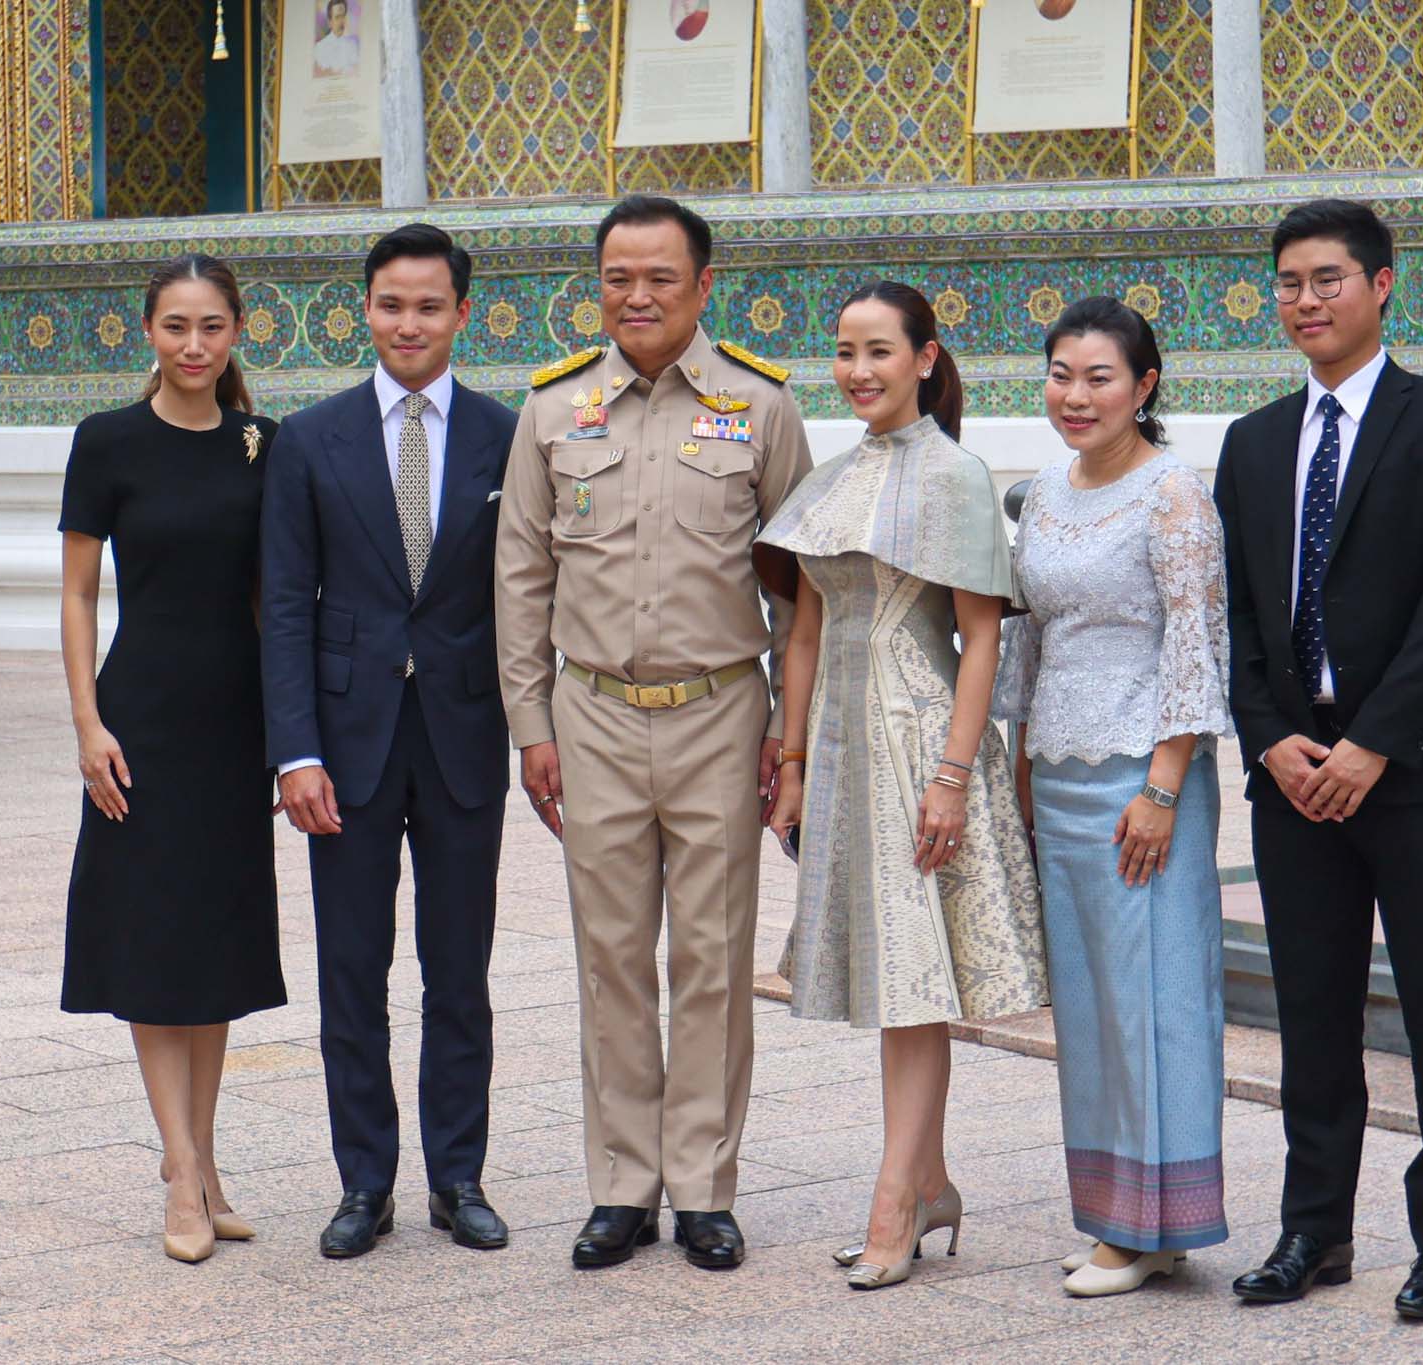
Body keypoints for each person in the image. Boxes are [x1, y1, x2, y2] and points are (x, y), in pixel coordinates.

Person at [495, 194, 812, 1272]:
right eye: (616, 278)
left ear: (702, 286)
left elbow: (797, 593)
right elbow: (522, 577)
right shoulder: (552, 408)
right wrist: (530, 724)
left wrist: (793, 735)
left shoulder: (760, 408)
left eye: (658, 279)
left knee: (714, 962)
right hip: (588, 716)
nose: (635, 297)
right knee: (612, 960)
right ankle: (621, 1186)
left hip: (721, 713)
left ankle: (705, 1188)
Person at [1213, 198, 1423, 1320]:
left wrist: (1373, 744)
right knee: (1311, 1015)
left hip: (1421, 775)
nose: (1304, 301)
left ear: (1381, 285)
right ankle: (1311, 1233)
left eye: (1326, 279)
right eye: (1288, 282)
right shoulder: (1249, 442)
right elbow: (1232, 613)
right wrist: (1267, 737)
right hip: (1291, 780)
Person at [758, 282, 1046, 1291]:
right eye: (843, 351)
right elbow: (798, 633)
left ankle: (894, 1202)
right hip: (838, 748)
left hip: (917, 740)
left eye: (878, 351)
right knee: (890, 985)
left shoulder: (956, 474)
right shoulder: (832, 476)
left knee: (916, 988)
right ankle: (927, 1183)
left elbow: (979, 642)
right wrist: (790, 765)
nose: (858, 371)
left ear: (924, 358)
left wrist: (953, 777)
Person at [261, 223, 518, 1260]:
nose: (407, 323)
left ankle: (458, 1179)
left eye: (428, 305)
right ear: (363, 311)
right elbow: (282, 603)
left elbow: (526, 595)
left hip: (463, 738)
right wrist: (295, 752)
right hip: (345, 751)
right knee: (350, 973)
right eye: (389, 304)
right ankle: (363, 1183)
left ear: (463, 313)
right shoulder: (308, 439)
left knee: (460, 974)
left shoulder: (513, 435)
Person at [995, 296, 1232, 1297]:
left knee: (1156, 1001)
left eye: (1098, 378)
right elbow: (1027, 641)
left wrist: (1163, 789)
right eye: (1059, 374)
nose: (1075, 395)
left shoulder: (1173, 492)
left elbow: (1194, 640)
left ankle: (1154, 1223)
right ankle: (1114, 1216)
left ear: (1144, 387)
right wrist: (1015, 771)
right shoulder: (1043, 494)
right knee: (1090, 1007)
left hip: (1143, 781)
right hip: (1058, 771)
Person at [58, 254, 287, 1264]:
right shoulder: (107, 442)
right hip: (140, 720)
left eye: (212, 328)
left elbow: (268, 599)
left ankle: (202, 1155)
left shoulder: (259, 447)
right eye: (174, 327)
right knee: (156, 946)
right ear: (145, 332)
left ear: (239, 332)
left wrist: (287, 736)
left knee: (218, 947)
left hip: (232, 726)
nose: (193, 347)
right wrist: (87, 726)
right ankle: (183, 1176)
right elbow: (75, 595)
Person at [312, 0, 358, 77]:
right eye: (337, 17)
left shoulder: (352, 46)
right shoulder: (319, 47)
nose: (341, 21)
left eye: (343, 16)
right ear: (330, 22)